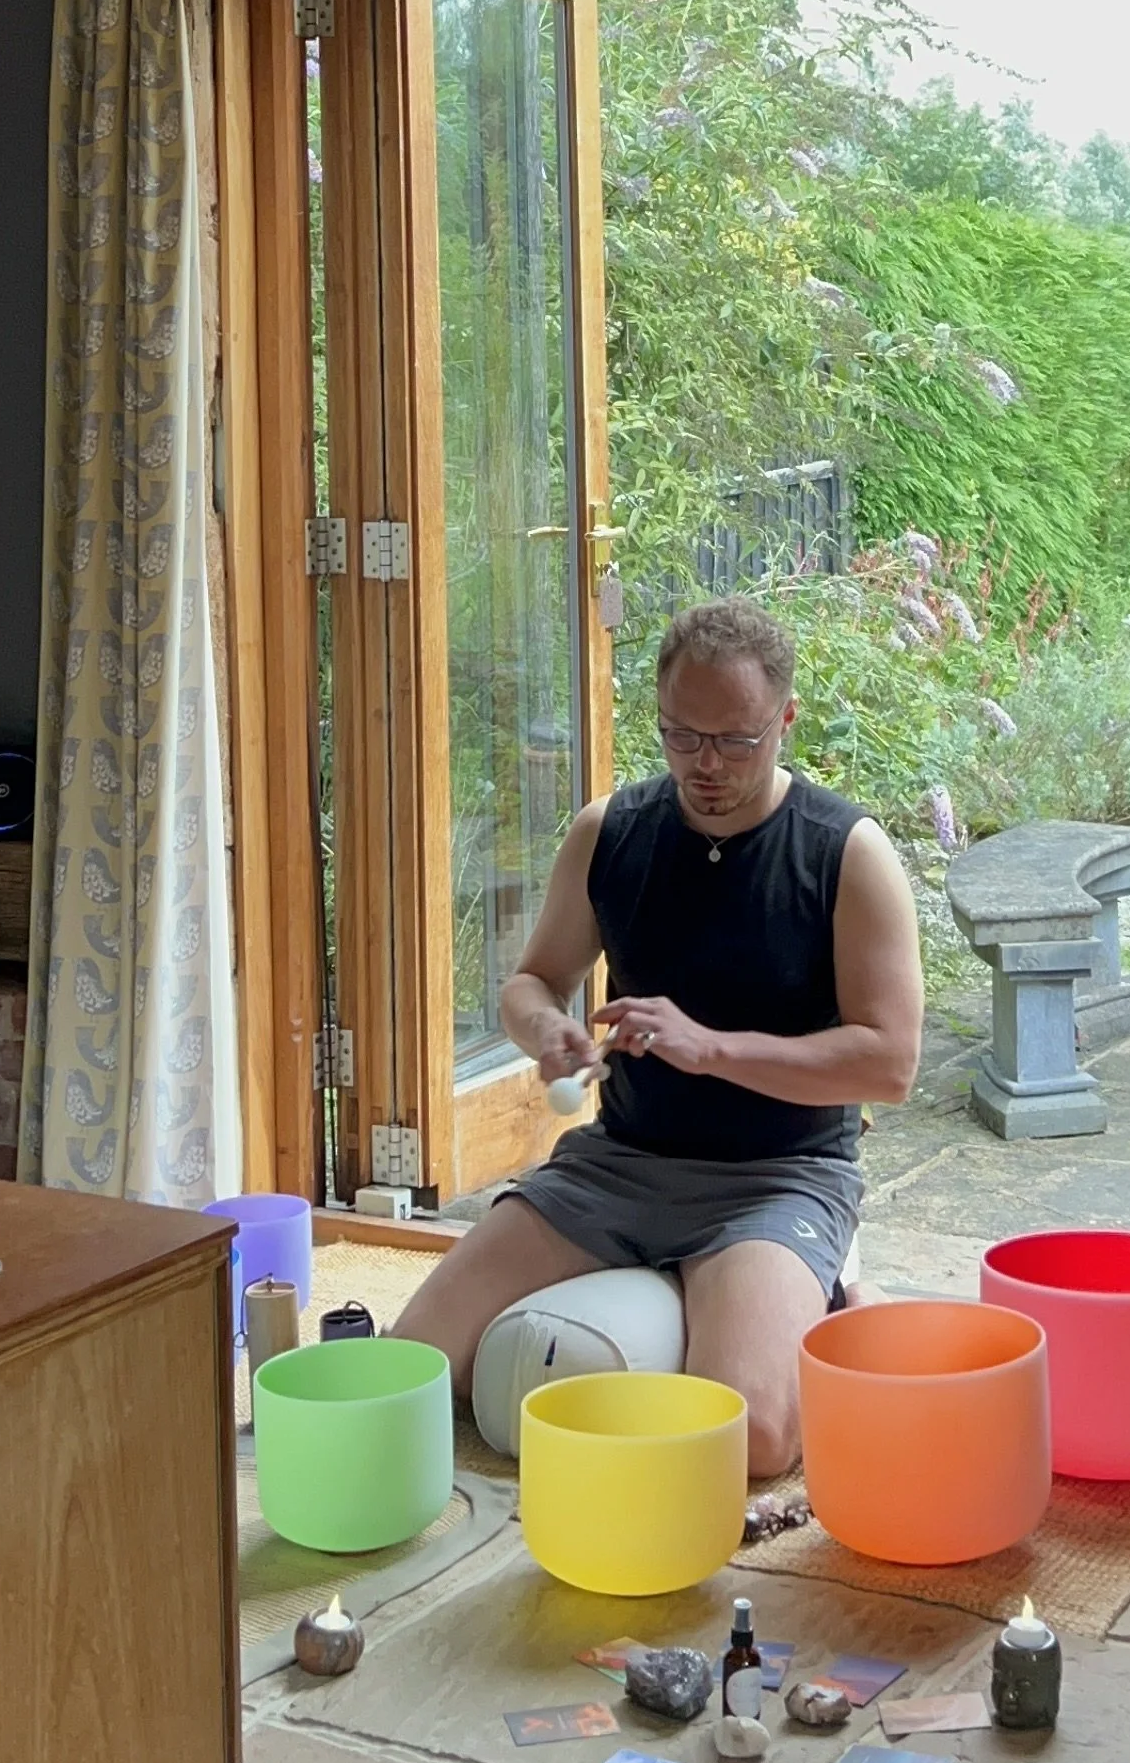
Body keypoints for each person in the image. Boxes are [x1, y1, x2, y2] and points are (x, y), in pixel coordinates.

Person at [391, 596, 924, 1477]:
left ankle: (816, 1288)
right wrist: (547, 1030)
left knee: (752, 1442)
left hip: (777, 1178)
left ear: (785, 719)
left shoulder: (846, 853)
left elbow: (891, 1064)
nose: (706, 764)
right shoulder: (612, 833)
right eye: (682, 736)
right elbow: (531, 981)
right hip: (621, 1163)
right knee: (415, 1366)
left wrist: (712, 1048)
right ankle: (712, 1298)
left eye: (737, 740)